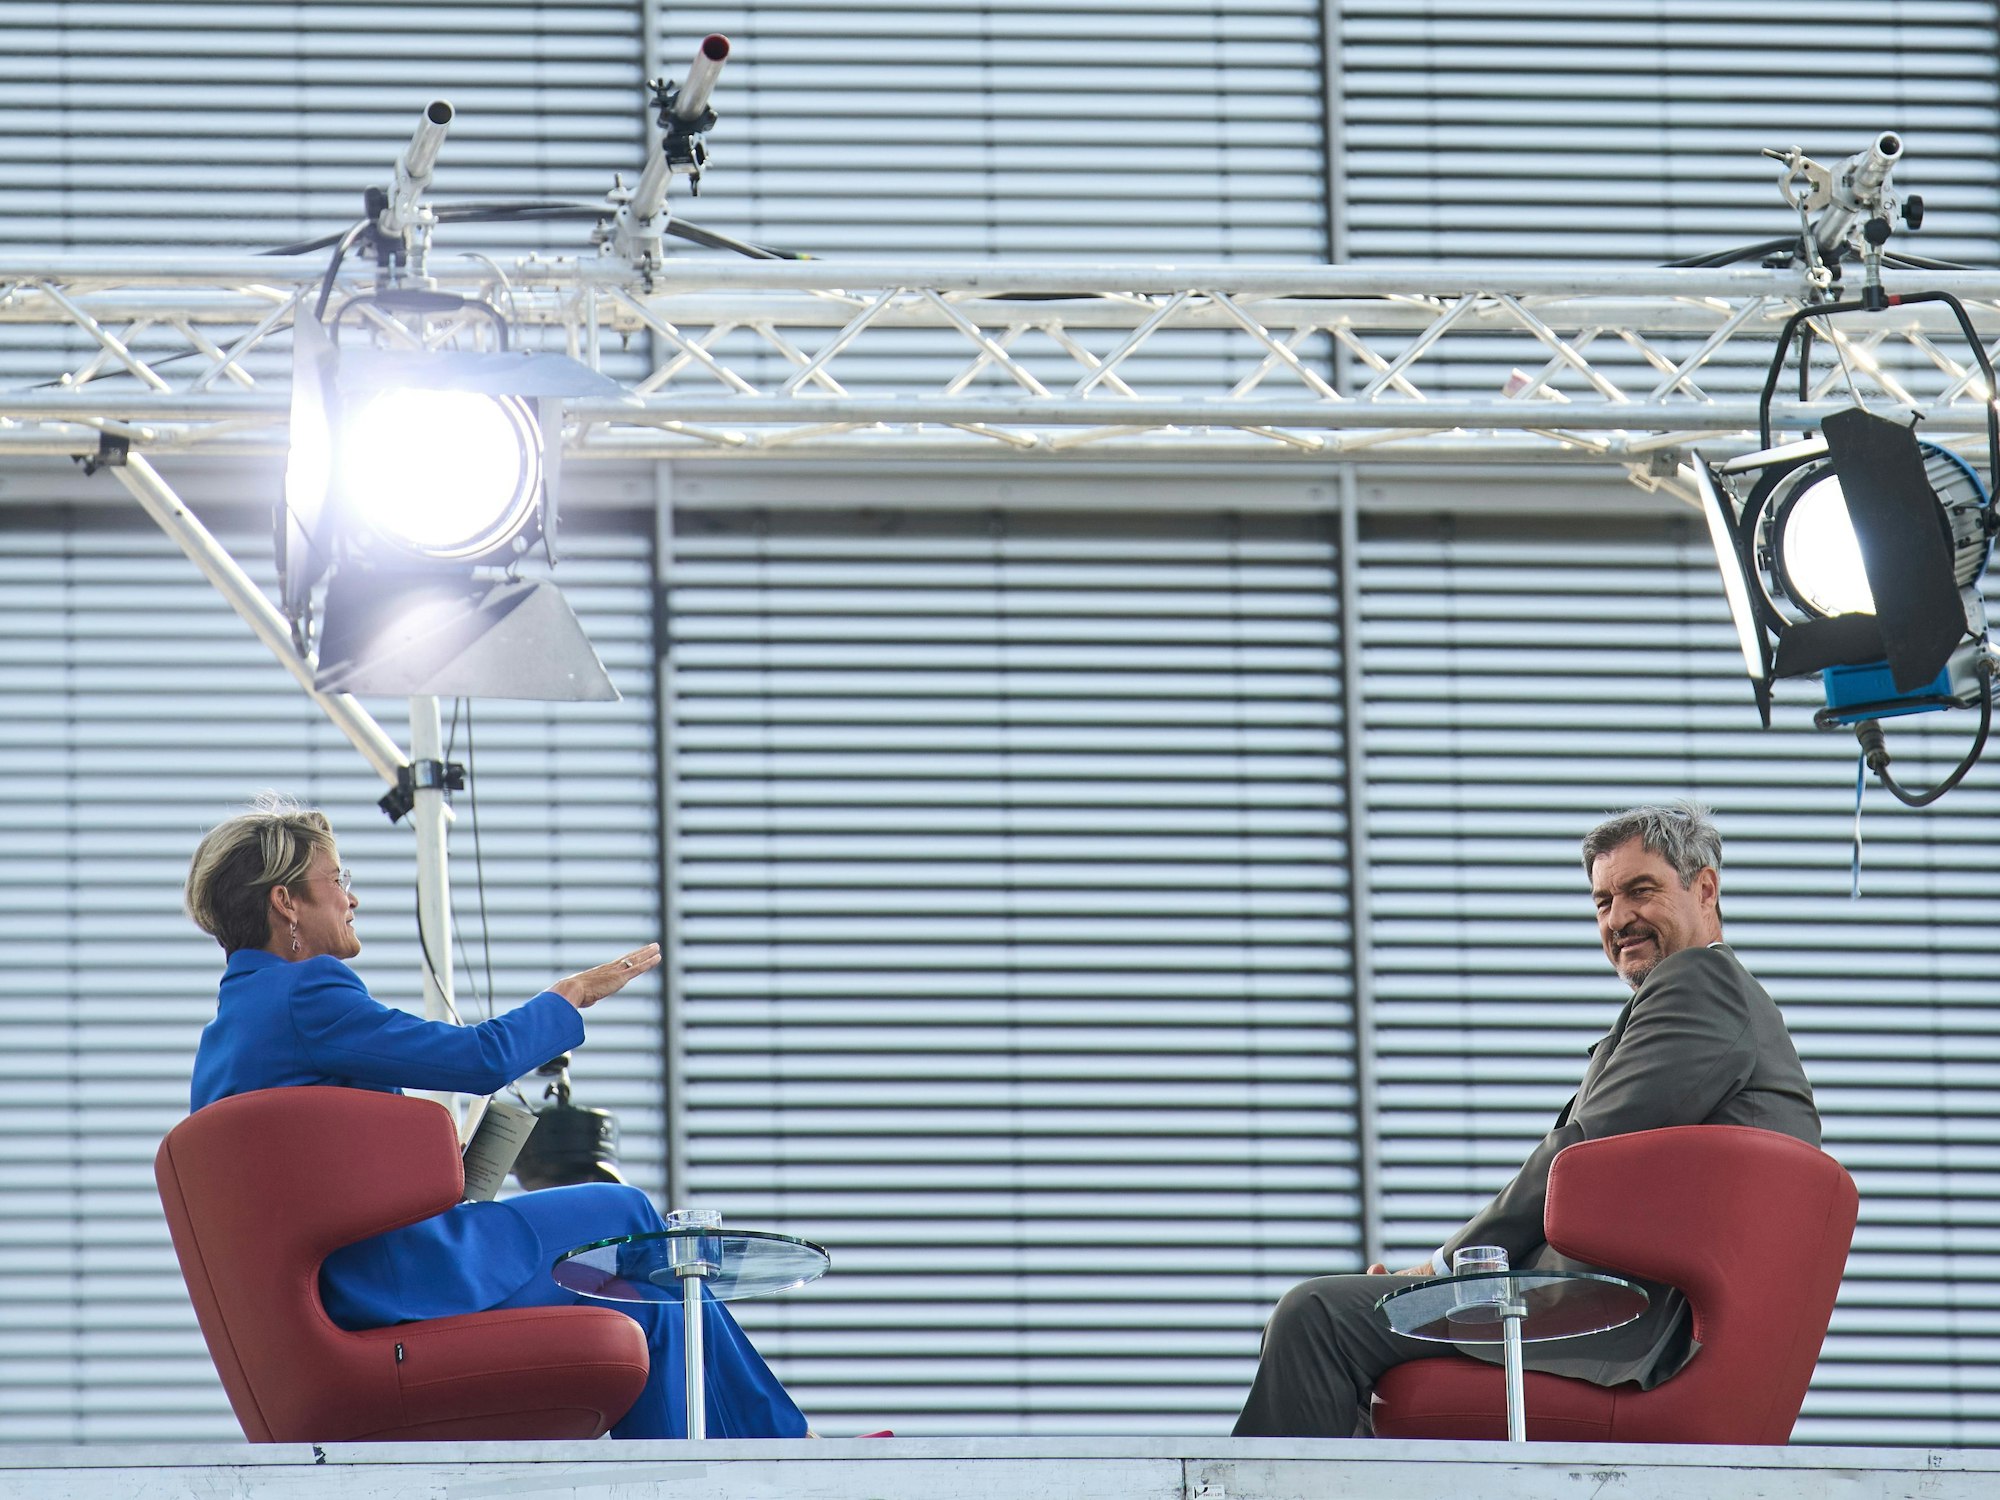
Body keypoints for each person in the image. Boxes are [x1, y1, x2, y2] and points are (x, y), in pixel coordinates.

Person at [182, 795, 809, 1440]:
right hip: (393, 1279)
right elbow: (480, 1059)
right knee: (630, 1221)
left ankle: (741, 1447)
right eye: (338, 878)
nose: (352, 897)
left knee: (635, 1269)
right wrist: (568, 999)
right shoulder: (307, 995)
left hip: (335, 1290)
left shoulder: (225, 1038)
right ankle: (772, 1446)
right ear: (285, 902)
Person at [1233, 801, 1820, 1437]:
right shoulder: (1721, 1004)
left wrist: (1442, 1270)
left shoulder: (1700, 983)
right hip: (1624, 1315)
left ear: (1704, 888)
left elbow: (1583, 1154)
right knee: (1350, 1324)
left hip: (1625, 1325)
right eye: (1602, 902)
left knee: (1315, 1316)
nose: (1619, 919)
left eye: (1640, 891)